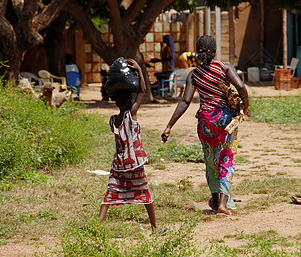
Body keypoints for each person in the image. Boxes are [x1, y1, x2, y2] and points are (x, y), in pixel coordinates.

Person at [161, 35, 250, 216]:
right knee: (226, 157)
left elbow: (185, 101)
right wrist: (245, 106)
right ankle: (223, 204)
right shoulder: (224, 68)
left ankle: (216, 201)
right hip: (226, 121)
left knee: (211, 161)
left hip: (206, 122)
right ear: (215, 51)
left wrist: (169, 125)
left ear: (197, 52)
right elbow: (241, 86)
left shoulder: (194, 74)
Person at [99, 59, 159, 232]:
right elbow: (143, 91)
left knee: (110, 193)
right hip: (134, 163)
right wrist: (140, 69)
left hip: (119, 164)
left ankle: (97, 225)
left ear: (116, 101)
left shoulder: (113, 120)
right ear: (130, 101)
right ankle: (154, 226)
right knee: (144, 193)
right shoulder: (131, 115)